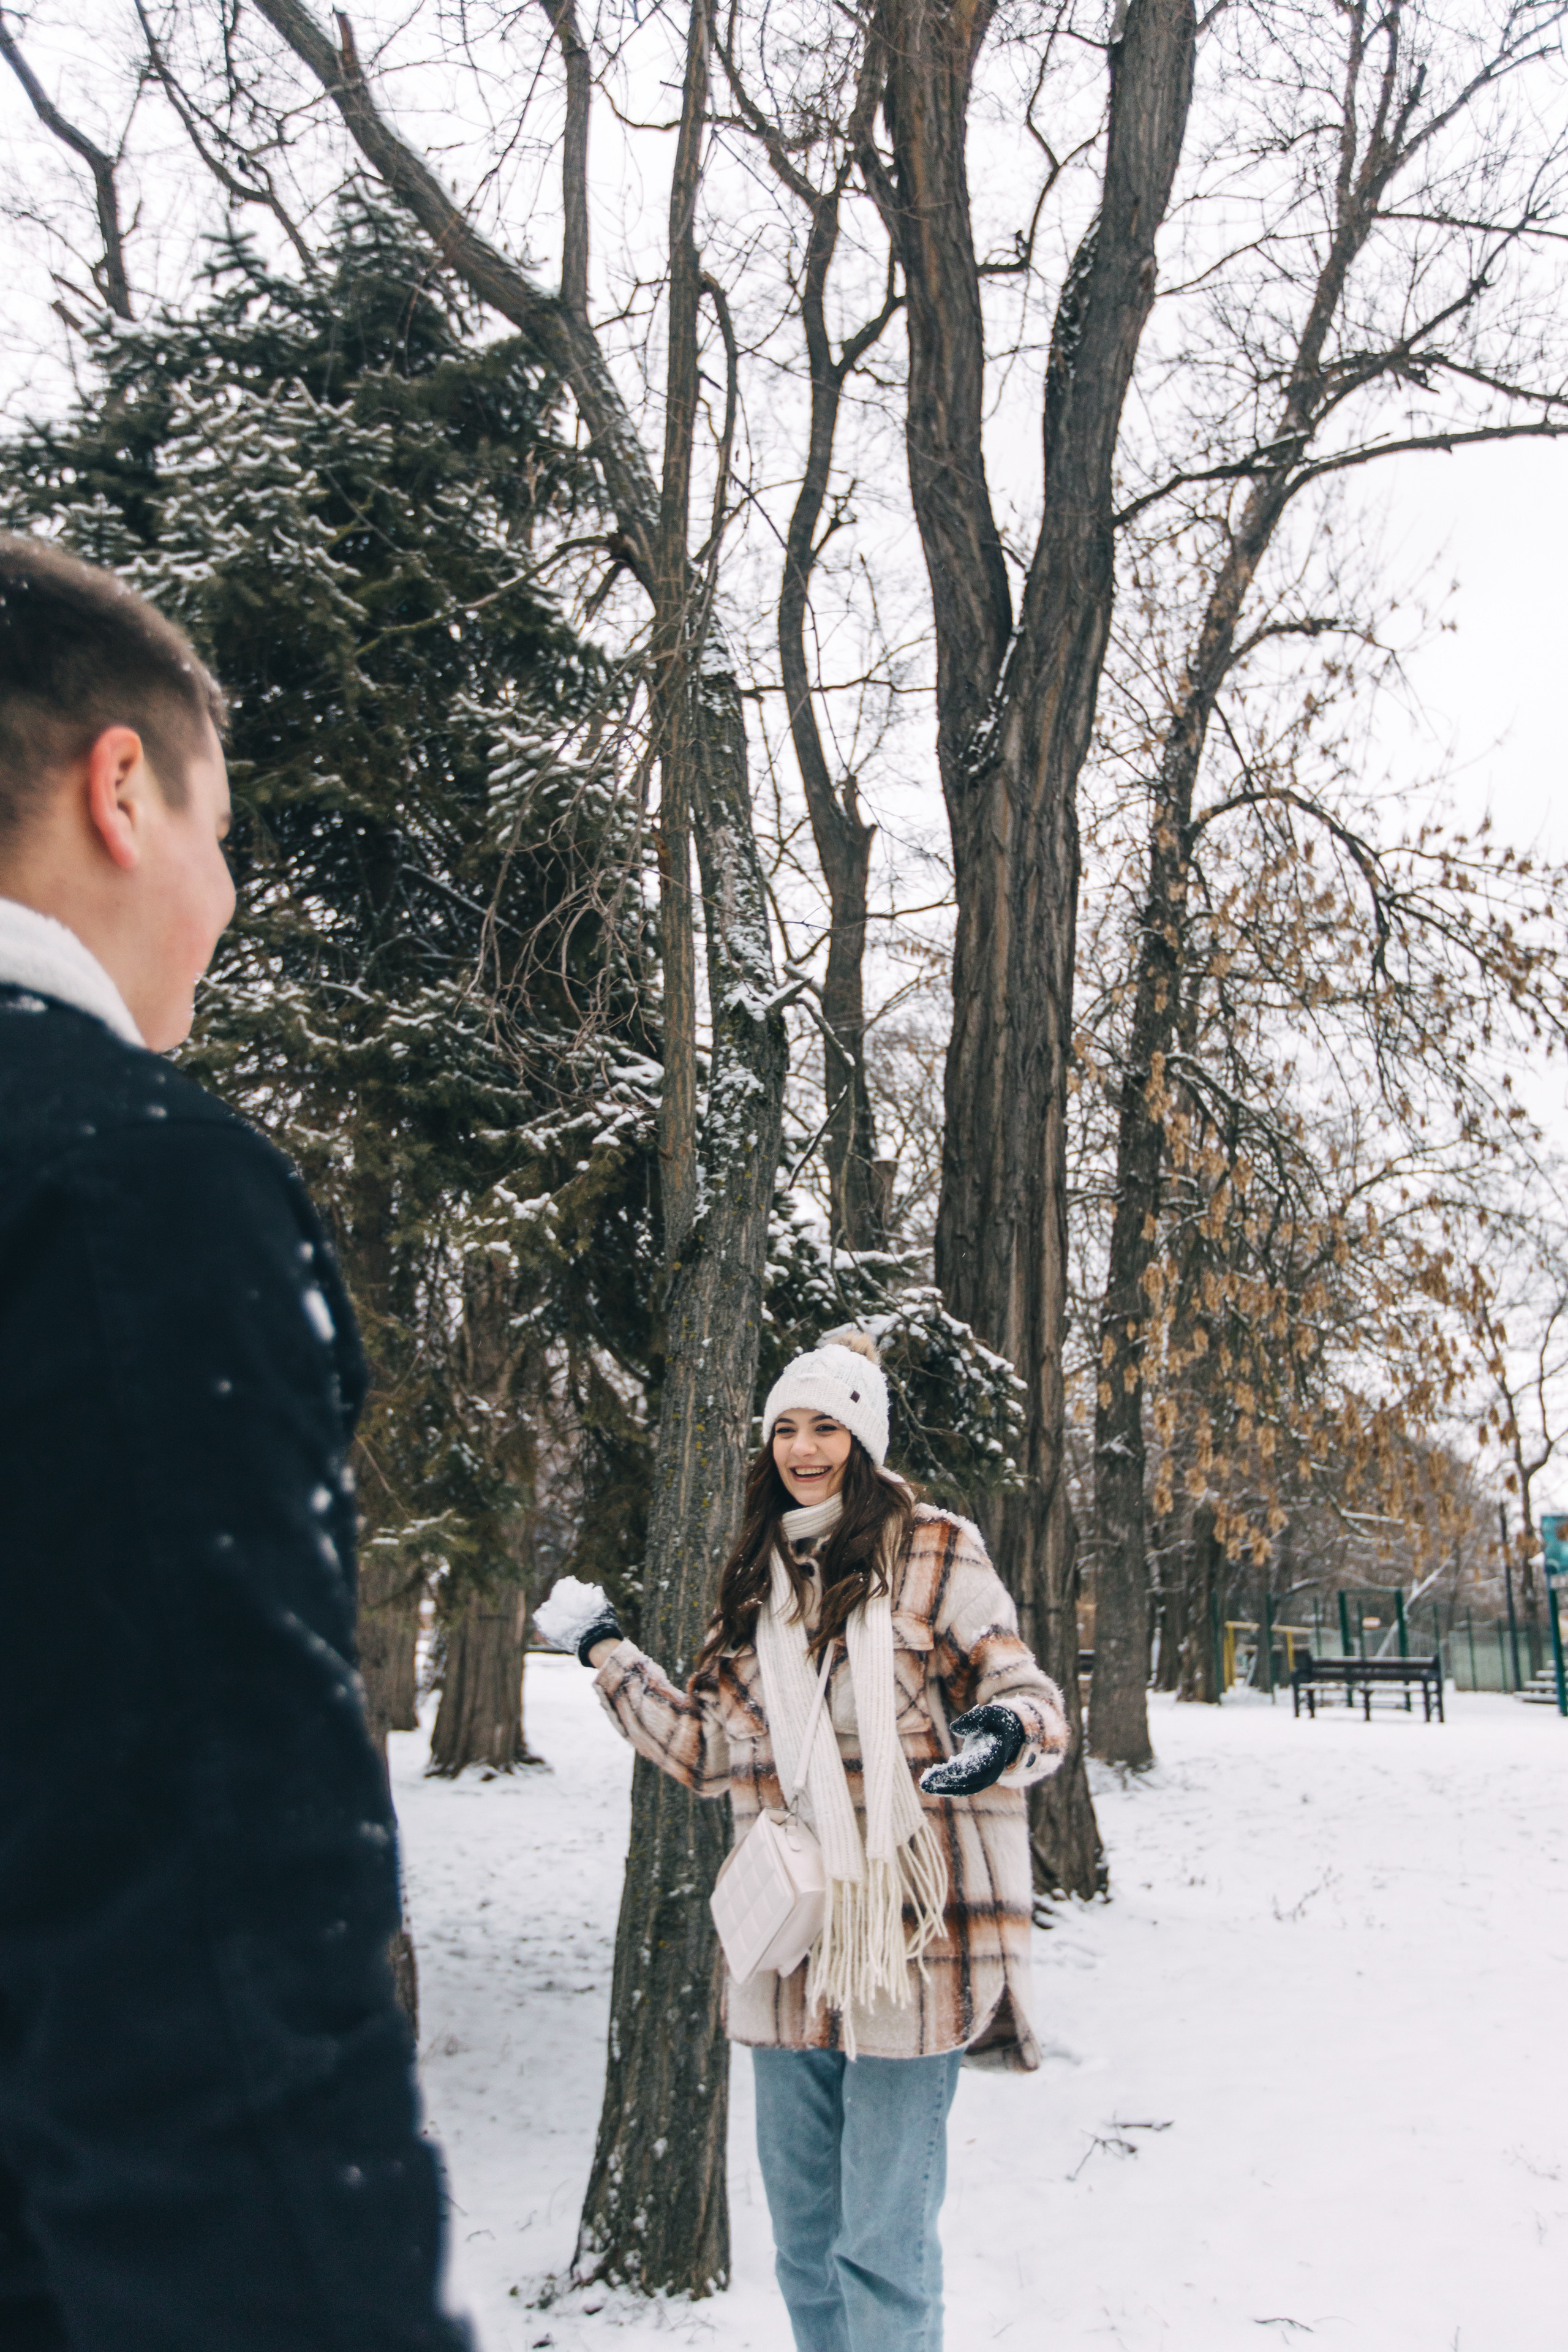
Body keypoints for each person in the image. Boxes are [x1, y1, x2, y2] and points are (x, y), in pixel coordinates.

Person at [0, 534, 470, 2351]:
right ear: (121, 789)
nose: (228, 889)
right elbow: (200, 1936)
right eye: (223, 830)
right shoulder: (123, 1199)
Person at [537, 1329, 1071, 2352]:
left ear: (863, 1437)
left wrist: (1007, 1731)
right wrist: (607, 1649)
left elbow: (1018, 1681)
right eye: (786, 1427)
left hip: (919, 1933)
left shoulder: (936, 1548)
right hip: (794, 1943)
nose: (804, 1447)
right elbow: (703, 1751)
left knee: (882, 2243)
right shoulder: (755, 1582)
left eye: (826, 1424)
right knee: (804, 2244)